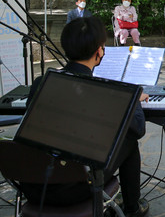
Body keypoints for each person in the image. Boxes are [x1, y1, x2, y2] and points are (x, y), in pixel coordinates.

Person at [25, 17, 149, 217]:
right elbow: (138, 129)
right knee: (130, 142)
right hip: (75, 189)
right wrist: (133, 97)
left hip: (34, 184)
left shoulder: (41, 83)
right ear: (99, 51)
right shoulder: (104, 91)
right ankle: (132, 208)